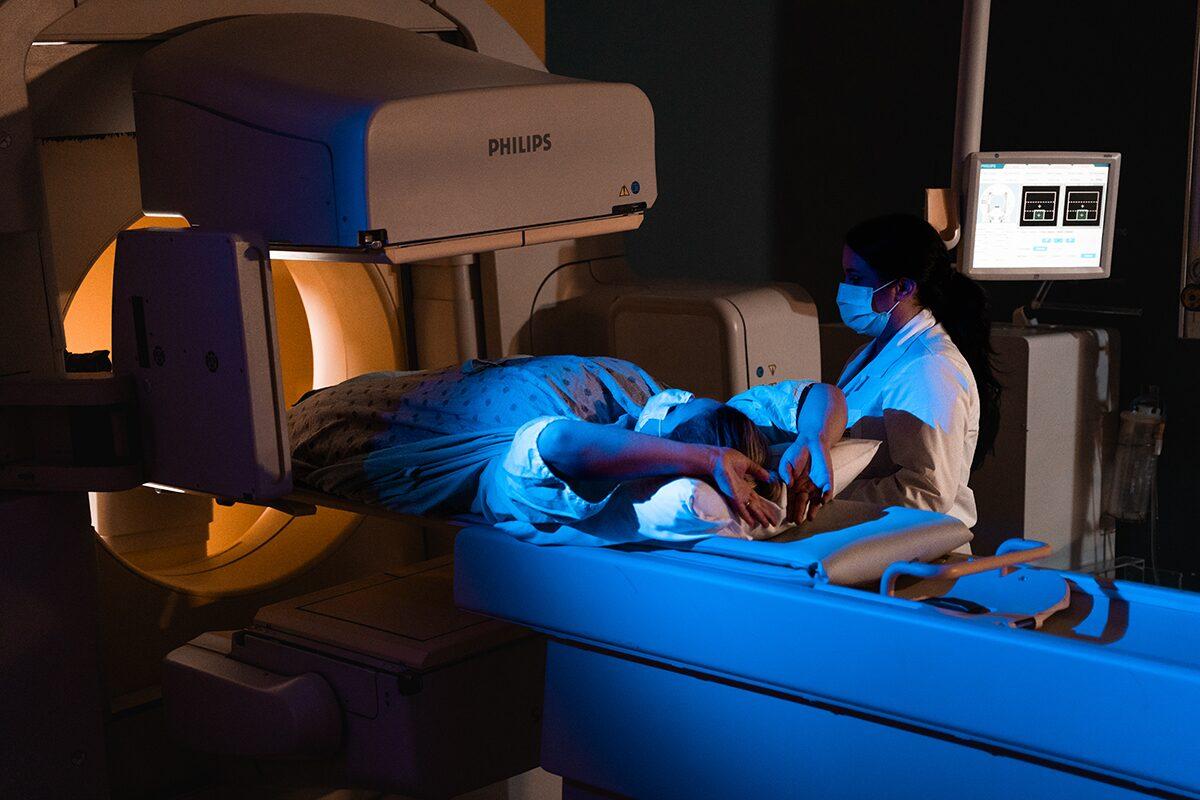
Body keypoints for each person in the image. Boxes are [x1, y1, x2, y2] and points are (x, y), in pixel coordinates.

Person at [287, 355, 845, 539]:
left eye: (677, 409)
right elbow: (821, 394)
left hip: (347, 427)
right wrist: (814, 442)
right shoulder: (720, 423)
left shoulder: (595, 470)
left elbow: (555, 443)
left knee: (291, 426)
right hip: (400, 379)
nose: (675, 397)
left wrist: (701, 459)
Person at [830, 213, 1001, 527]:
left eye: (856, 279)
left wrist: (828, 494)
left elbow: (926, 492)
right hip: (873, 540)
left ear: (902, 288)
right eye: (844, 276)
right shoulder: (870, 353)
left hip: (917, 556)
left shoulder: (930, 368)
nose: (844, 290)